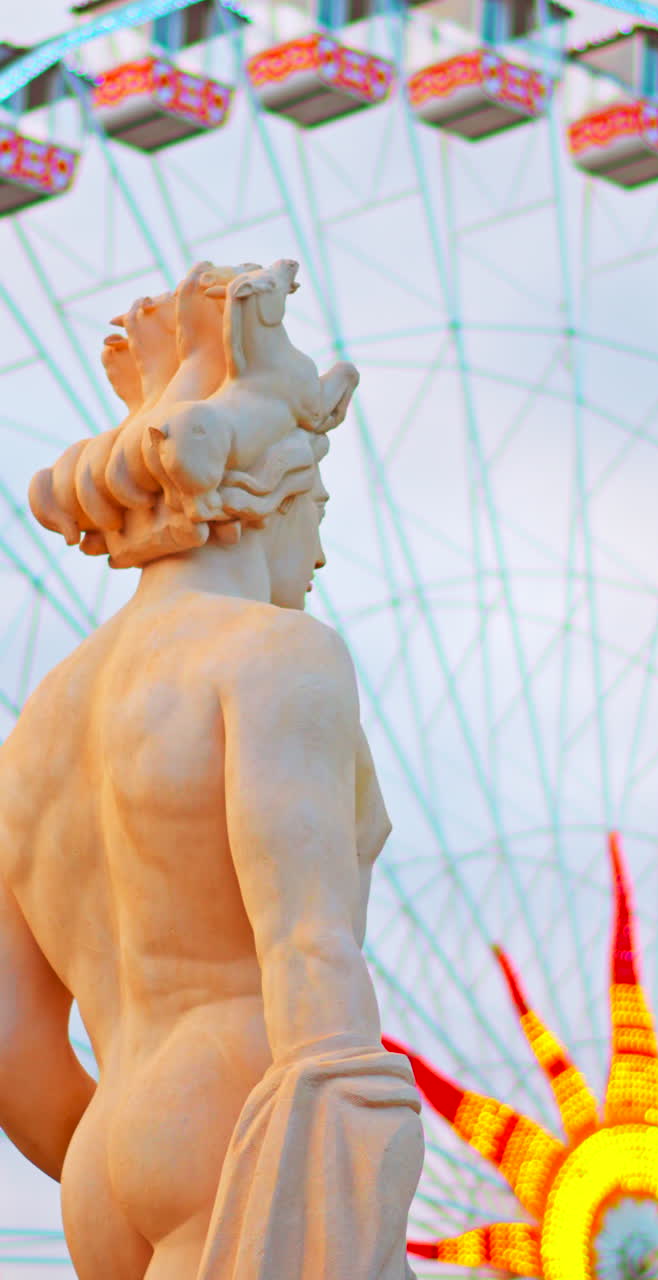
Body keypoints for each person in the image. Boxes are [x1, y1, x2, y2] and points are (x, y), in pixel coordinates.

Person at [0, 260, 424, 1279]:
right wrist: (359, 1139)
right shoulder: (274, 654)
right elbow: (306, 938)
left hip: (100, 1155)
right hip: (246, 1111)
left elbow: (12, 1044)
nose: (317, 552)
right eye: (317, 503)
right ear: (271, 493)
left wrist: (128, 1146)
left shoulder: (34, 736)